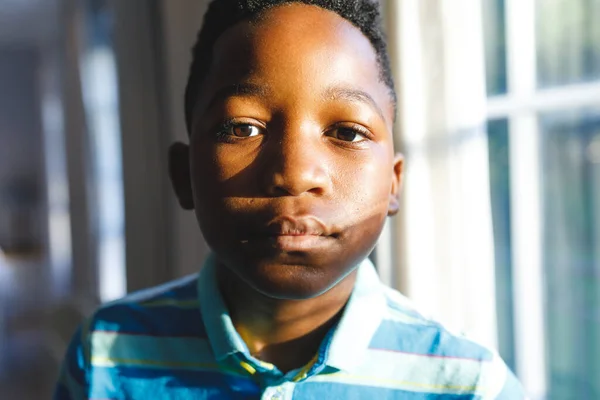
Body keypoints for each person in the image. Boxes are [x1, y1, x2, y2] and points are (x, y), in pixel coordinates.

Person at [54, 0, 528, 398]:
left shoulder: (467, 385)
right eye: (242, 128)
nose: (295, 174)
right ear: (184, 176)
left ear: (393, 184)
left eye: (347, 131)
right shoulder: (106, 354)